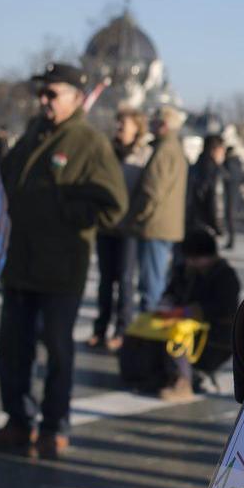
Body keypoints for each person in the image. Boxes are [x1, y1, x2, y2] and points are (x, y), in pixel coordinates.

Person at [0, 62, 126, 460]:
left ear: (76, 98)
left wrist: (65, 208)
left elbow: (114, 205)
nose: (44, 100)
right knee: (13, 348)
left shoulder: (88, 141)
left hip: (61, 266)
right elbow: (6, 180)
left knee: (58, 351)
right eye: (42, 93)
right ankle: (18, 420)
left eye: (52, 93)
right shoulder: (33, 133)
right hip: (21, 263)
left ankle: (53, 425)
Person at [90, 107, 150, 351]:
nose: (119, 130)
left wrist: (133, 217)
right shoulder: (109, 151)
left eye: (123, 126)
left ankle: (122, 330)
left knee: (125, 279)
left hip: (129, 227)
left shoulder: (144, 155)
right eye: (117, 126)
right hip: (107, 225)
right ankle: (100, 328)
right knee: (105, 279)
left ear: (136, 128)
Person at [157, 227, 238, 401]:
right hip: (188, 326)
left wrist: (190, 311)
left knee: (178, 334)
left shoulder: (225, 276)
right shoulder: (185, 271)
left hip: (214, 337)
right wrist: (167, 304)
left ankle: (183, 381)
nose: (190, 263)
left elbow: (224, 309)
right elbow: (171, 292)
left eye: (195, 259)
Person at [130, 105, 187, 312]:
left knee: (151, 282)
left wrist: (137, 216)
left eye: (155, 121)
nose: (150, 124)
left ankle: (150, 328)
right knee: (157, 277)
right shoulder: (174, 148)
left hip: (155, 225)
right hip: (166, 224)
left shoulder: (164, 150)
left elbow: (152, 190)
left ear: (164, 125)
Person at [188, 134, 226, 239]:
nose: (224, 154)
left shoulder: (193, 167)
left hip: (189, 224)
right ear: (214, 150)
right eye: (222, 150)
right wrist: (219, 228)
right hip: (207, 228)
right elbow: (216, 203)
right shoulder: (215, 172)